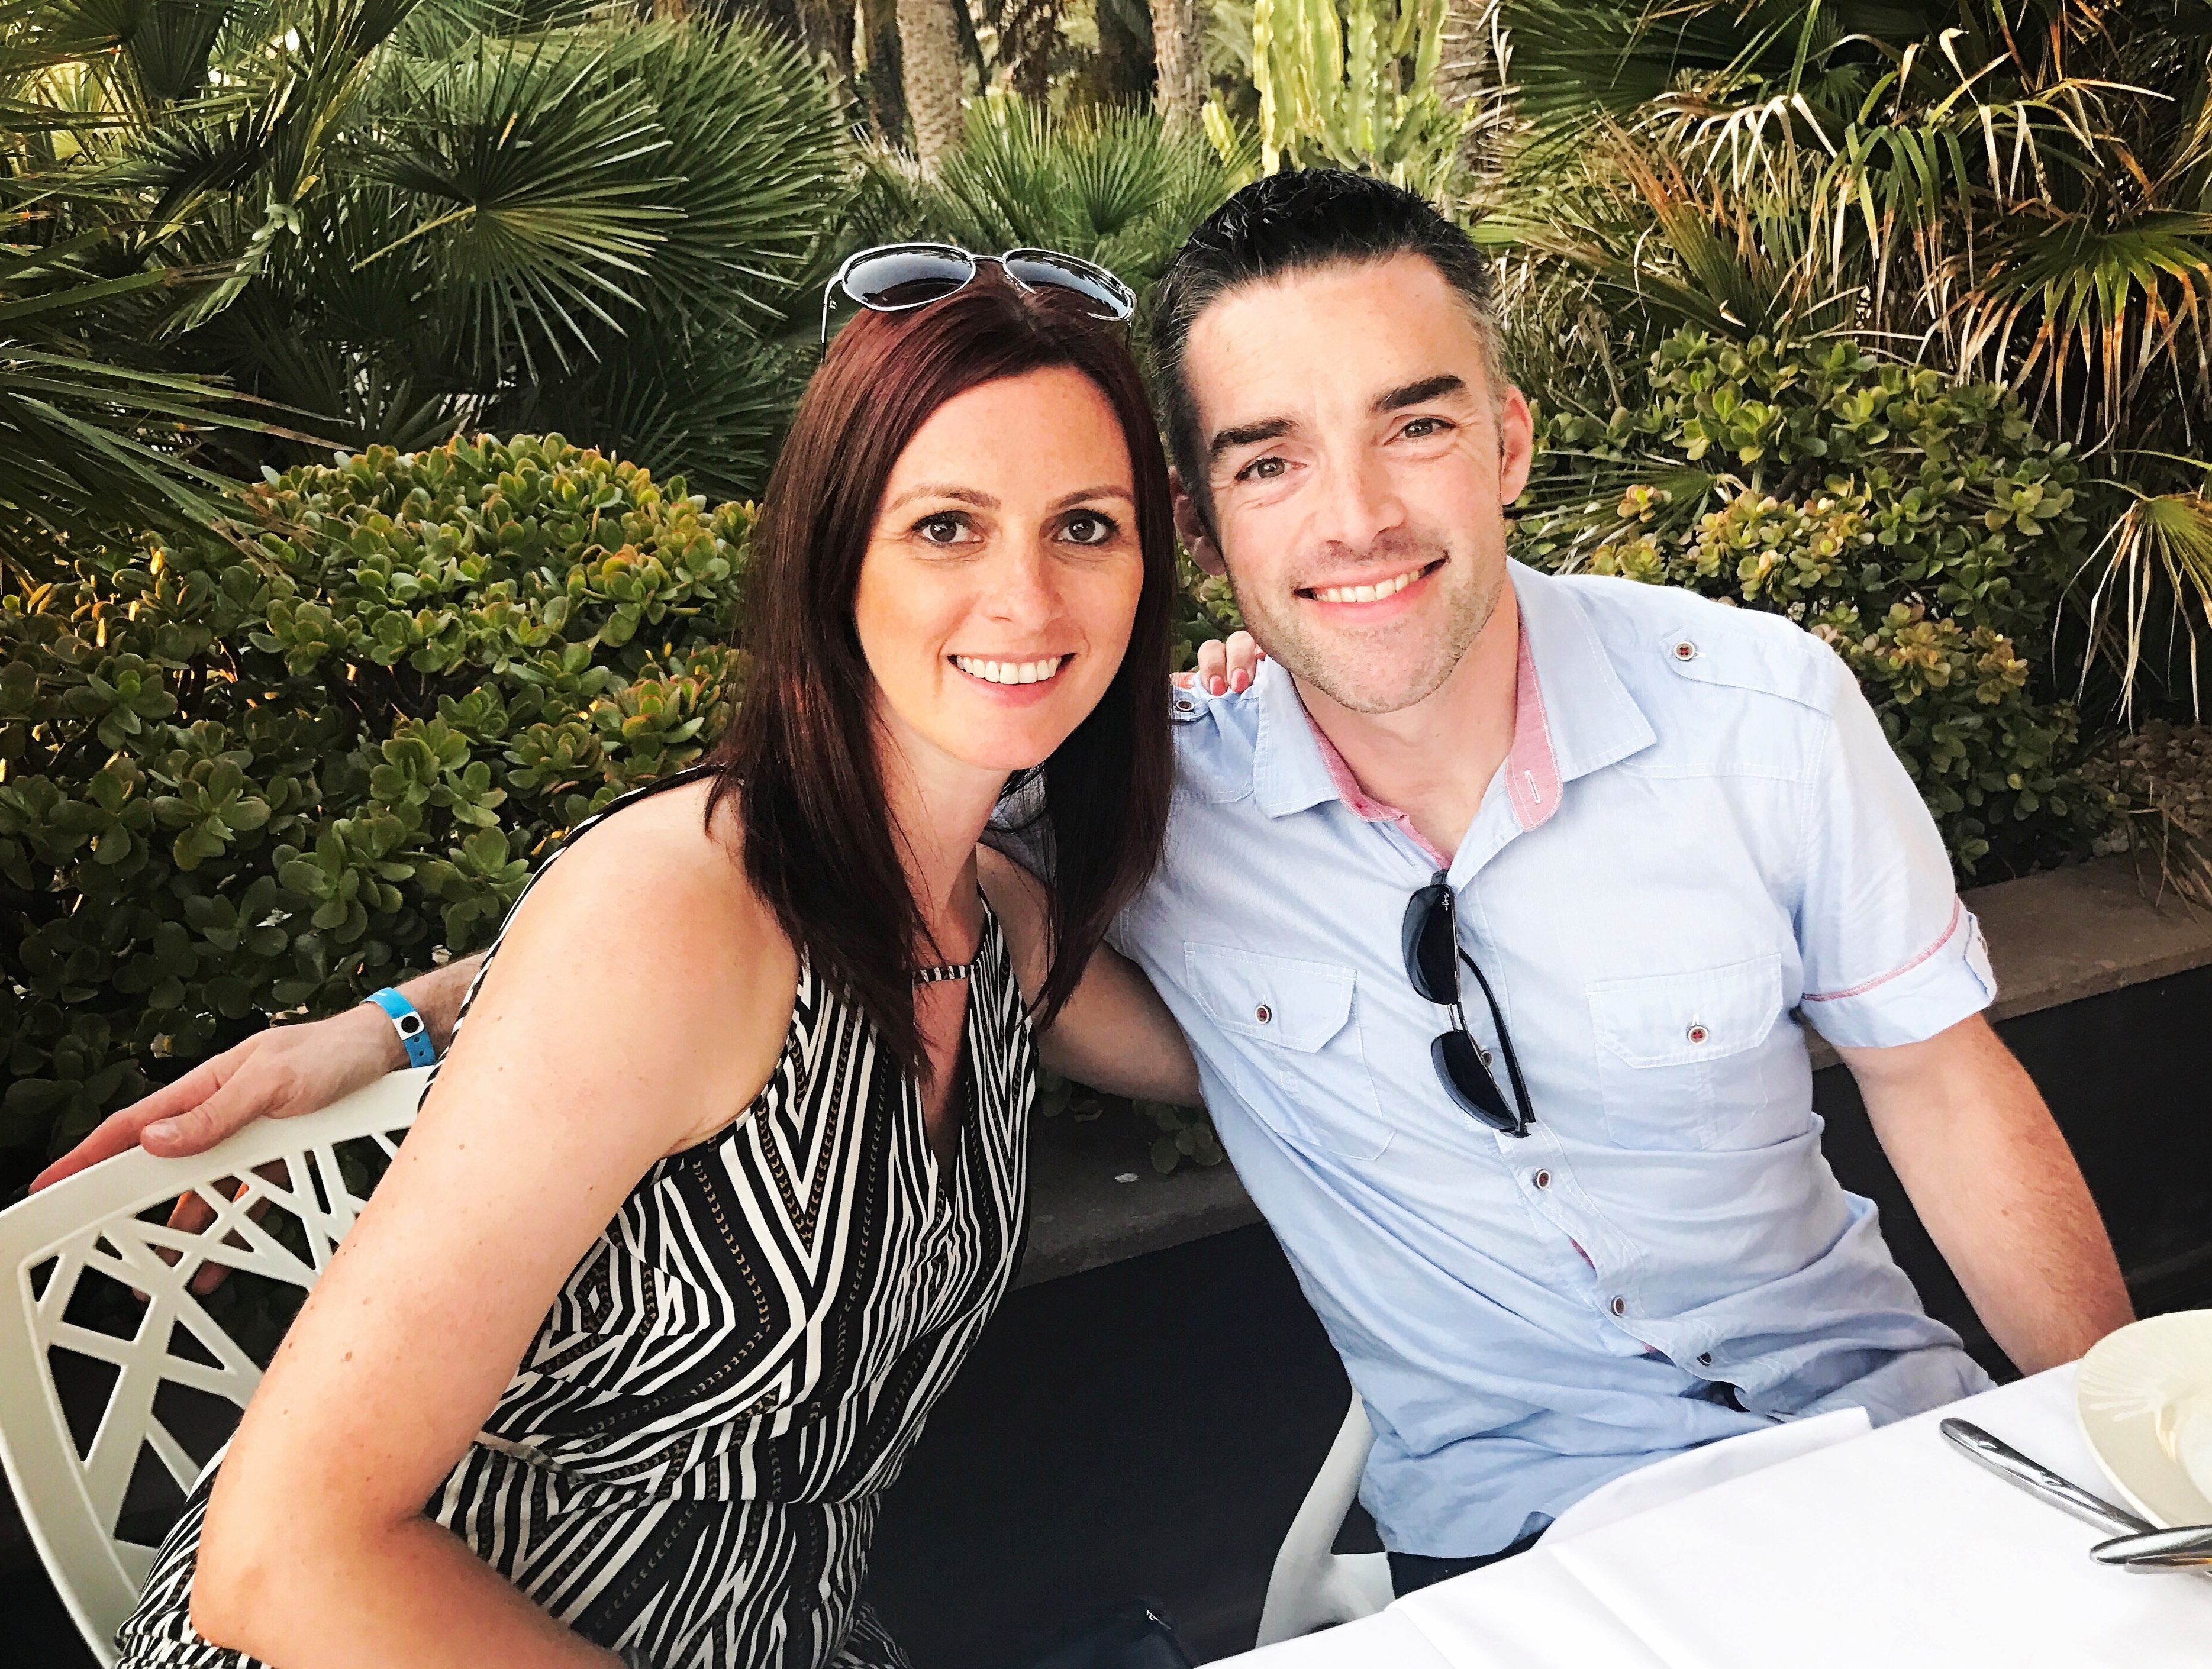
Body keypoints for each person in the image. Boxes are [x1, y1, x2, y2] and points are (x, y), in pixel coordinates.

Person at [47, 172, 2134, 1606]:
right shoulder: (989, 843)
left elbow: (1940, 1082)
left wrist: (2132, 1441)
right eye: (1265, 457)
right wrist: (390, 1023)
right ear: (1213, 526)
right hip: (1505, 1548)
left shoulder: (1730, 714)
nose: (1351, 518)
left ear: (1505, 441)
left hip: (1882, 1441)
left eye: (1077, 527)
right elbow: (716, 894)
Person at [90, 259, 1216, 1669]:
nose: (1027, 596)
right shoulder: (670, 907)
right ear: (834, 556)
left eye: (1086, 527)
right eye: (945, 525)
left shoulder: (998, 929)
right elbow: (278, 1565)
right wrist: (406, 1015)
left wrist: (1310, 725)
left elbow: (1266, 1047)